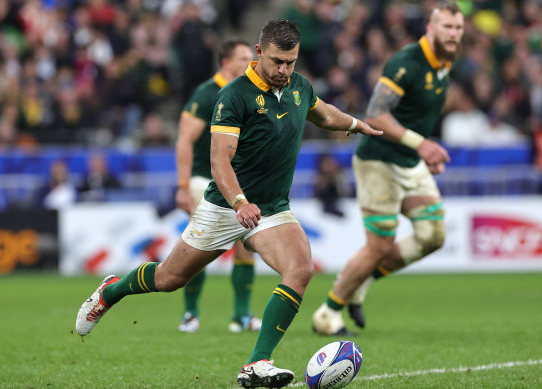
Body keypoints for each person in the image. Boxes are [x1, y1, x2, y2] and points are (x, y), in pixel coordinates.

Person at [75, 18, 381, 388]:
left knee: (300, 269)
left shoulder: (299, 87)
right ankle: (110, 291)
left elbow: (323, 113)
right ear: (258, 53)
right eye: (276, 62)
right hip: (224, 207)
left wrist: (355, 124)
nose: (284, 70)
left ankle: (257, 363)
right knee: (169, 278)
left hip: (271, 209)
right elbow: (219, 159)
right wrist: (238, 202)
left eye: (291, 62)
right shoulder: (234, 95)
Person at [312, 2, 464, 335]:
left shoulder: (445, 62)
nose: (453, 34)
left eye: (458, 28)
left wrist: (422, 152)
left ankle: (360, 283)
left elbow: (416, 115)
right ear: (431, 28)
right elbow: (376, 114)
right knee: (379, 244)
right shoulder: (406, 62)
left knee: (433, 235)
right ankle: (327, 313)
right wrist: (421, 144)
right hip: (378, 160)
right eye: (447, 27)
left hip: (409, 161)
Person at [173, 39, 263, 333]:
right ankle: (190, 313)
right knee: (199, 248)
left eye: (252, 57)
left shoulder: (250, 92)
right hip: (204, 179)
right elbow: (185, 140)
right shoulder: (206, 93)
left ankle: (241, 315)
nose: (250, 63)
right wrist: (184, 186)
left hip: (237, 180)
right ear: (225, 62)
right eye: (243, 58)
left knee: (247, 242)